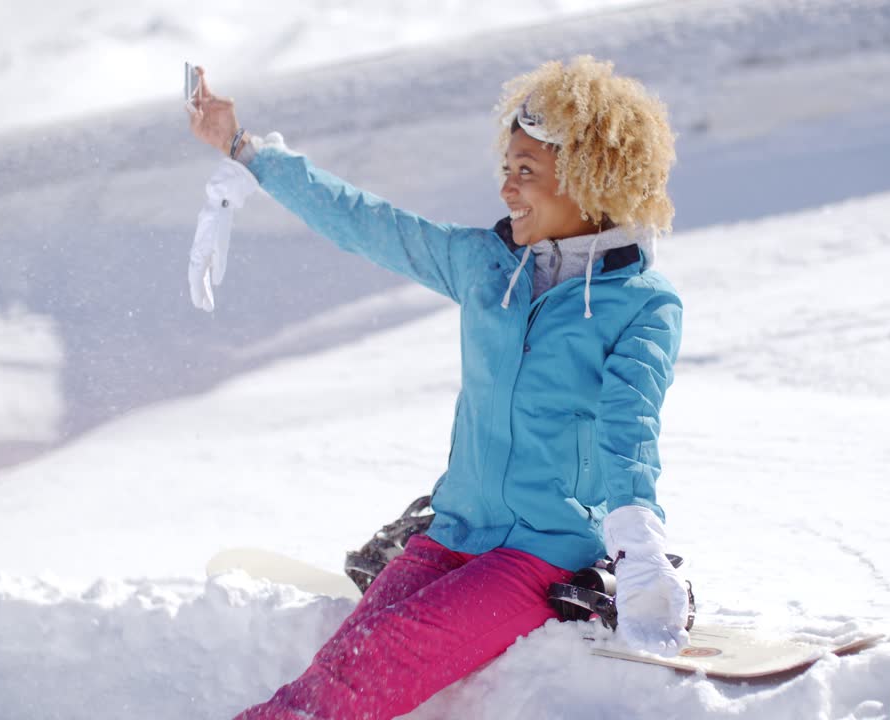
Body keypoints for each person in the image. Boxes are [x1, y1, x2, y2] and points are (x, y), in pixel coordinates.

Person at [188, 55, 689, 720]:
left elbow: (631, 428)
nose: (509, 189)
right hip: (453, 530)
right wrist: (247, 152)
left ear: (591, 179)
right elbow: (368, 223)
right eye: (507, 169)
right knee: (345, 660)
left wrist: (637, 542)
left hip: (539, 554)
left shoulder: (641, 304)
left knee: (363, 671)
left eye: (527, 172)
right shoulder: (485, 266)